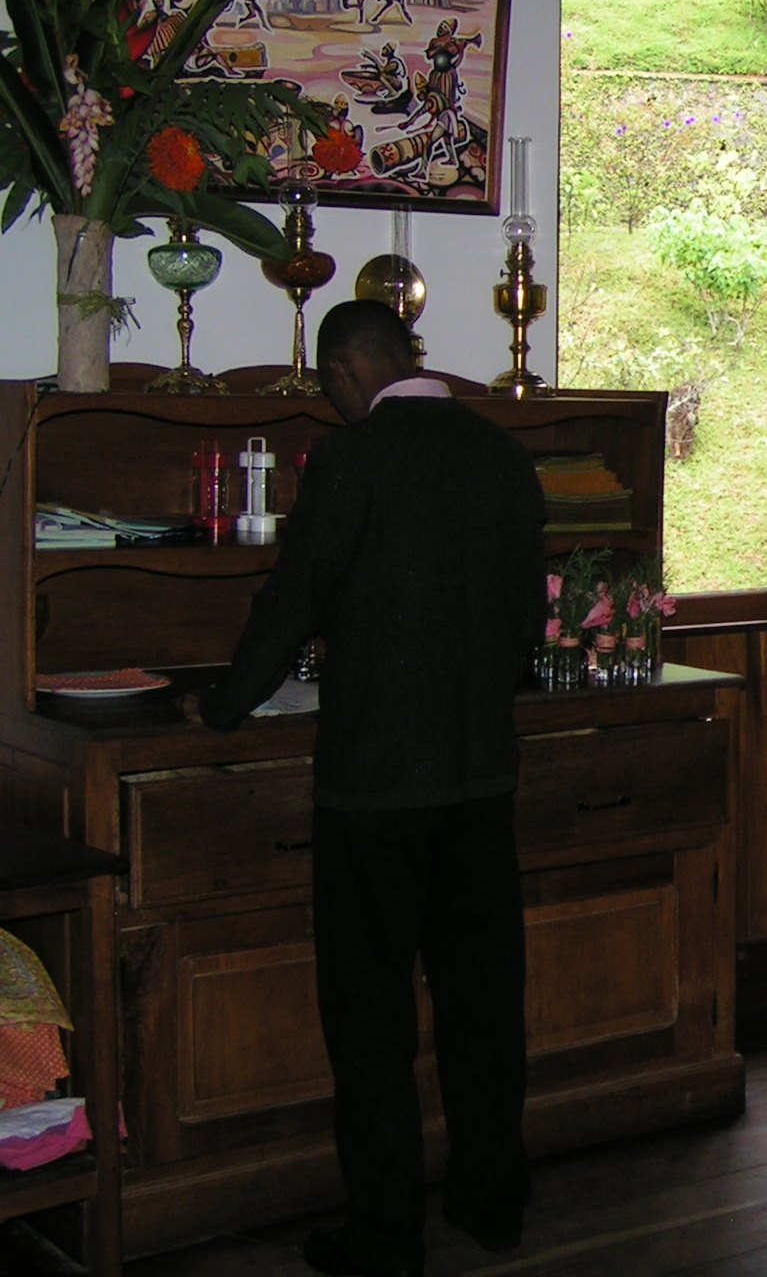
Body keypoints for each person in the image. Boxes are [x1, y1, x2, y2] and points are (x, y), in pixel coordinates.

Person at [193, 301, 545, 1277]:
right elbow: (527, 615)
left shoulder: (352, 460)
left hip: (375, 788)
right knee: (483, 1006)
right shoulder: (500, 454)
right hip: (481, 777)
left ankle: (385, 1237)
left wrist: (222, 707)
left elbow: (293, 598)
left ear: (346, 370)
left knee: (371, 1018)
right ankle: (492, 1201)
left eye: (329, 386)